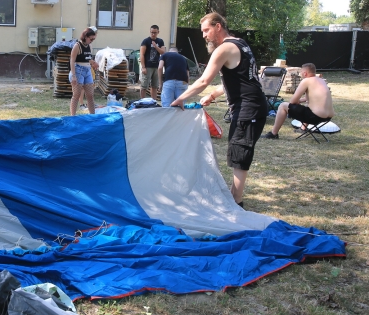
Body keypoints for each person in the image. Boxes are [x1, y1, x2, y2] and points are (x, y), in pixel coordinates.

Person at [171, 12, 267, 208]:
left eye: (206, 30)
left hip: (249, 108)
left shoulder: (223, 49)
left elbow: (204, 80)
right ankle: (233, 197)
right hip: (254, 105)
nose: (204, 35)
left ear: (218, 27)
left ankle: (236, 202)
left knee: (240, 154)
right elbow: (242, 79)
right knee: (236, 152)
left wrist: (180, 99)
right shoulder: (241, 44)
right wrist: (213, 95)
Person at [262, 63, 334, 139]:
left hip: (315, 117)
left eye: (301, 72)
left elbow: (293, 101)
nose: (300, 74)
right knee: (308, 105)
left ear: (305, 73)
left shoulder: (306, 81)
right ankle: (303, 128)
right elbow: (309, 99)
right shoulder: (321, 80)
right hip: (328, 117)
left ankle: (273, 134)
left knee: (283, 106)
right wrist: (301, 100)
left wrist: (297, 101)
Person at [69, 27, 99, 115]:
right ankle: (73, 116)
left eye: (94, 39)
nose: (92, 40)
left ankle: (92, 116)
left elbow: (87, 58)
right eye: (91, 38)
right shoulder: (77, 46)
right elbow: (72, 61)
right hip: (78, 71)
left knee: (90, 95)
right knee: (76, 95)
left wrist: (93, 62)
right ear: (86, 36)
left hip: (87, 71)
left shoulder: (89, 46)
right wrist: (73, 75)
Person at [139, 25, 166, 100]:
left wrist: (156, 46)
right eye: (152, 32)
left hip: (156, 67)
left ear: (158, 32)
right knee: (144, 86)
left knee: (155, 86)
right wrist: (143, 67)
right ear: (150, 32)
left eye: (155, 32)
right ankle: (142, 101)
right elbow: (142, 54)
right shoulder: (146, 41)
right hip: (147, 66)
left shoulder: (160, 41)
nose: (153, 34)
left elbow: (163, 52)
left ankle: (153, 102)